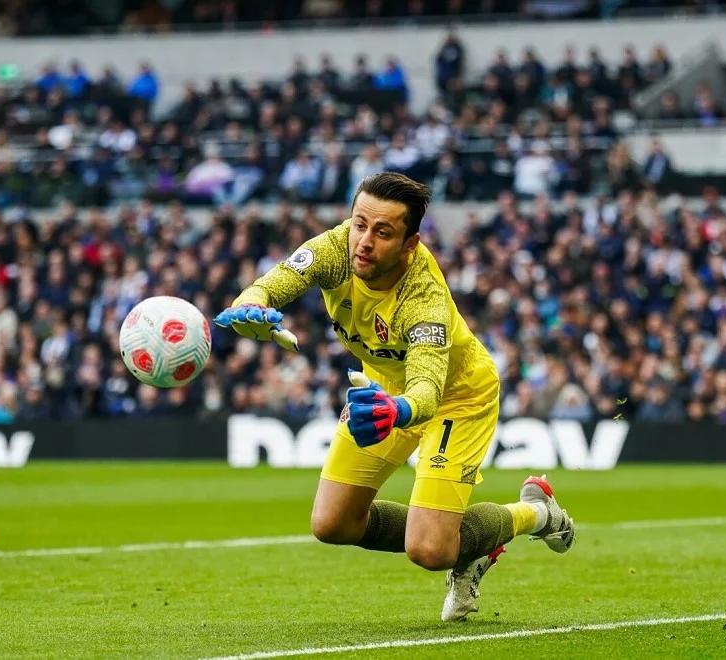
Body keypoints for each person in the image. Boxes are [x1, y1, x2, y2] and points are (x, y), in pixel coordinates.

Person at [214, 172, 575, 621]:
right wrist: (252, 304)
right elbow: (278, 280)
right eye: (359, 224)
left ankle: (534, 512)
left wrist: (399, 409)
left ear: (410, 243)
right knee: (332, 524)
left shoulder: (424, 297)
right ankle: (460, 536)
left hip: (455, 397)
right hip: (384, 388)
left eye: (382, 232)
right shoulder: (337, 248)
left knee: (429, 549)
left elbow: (426, 388)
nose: (363, 241)